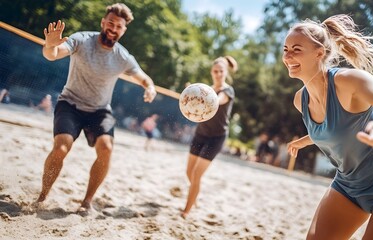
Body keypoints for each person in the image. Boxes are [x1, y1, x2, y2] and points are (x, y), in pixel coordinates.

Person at [284, 14, 373, 239]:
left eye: (296, 49)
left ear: (319, 53)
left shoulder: (348, 82)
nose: (288, 55)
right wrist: (303, 141)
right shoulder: (300, 100)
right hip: (348, 186)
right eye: (285, 49)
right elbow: (336, 130)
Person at [35, 3, 157, 215]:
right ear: (103, 22)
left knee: (106, 148)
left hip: (100, 110)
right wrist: (50, 46)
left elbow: (143, 77)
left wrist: (150, 87)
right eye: (110, 23)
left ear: (123, 30)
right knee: (61, 147)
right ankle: (43, 195)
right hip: (70, 103)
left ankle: (87, 201)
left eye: (118, 26)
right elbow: (53, 54)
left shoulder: (123, 57)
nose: (113, 28)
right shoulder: (82, 40)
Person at [181, 56, 238, 218]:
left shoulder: (227, 91)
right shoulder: (206, 89)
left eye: (221, 71)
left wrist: (197, 95)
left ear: (225, 72)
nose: (218, 74)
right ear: (211, 72)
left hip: (216, 137)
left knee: (196, 174)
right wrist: (190, 94)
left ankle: (186, 210)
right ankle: (194, 195)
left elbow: (218, 100)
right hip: (201, 134)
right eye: (215, 71)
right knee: (188, 172)